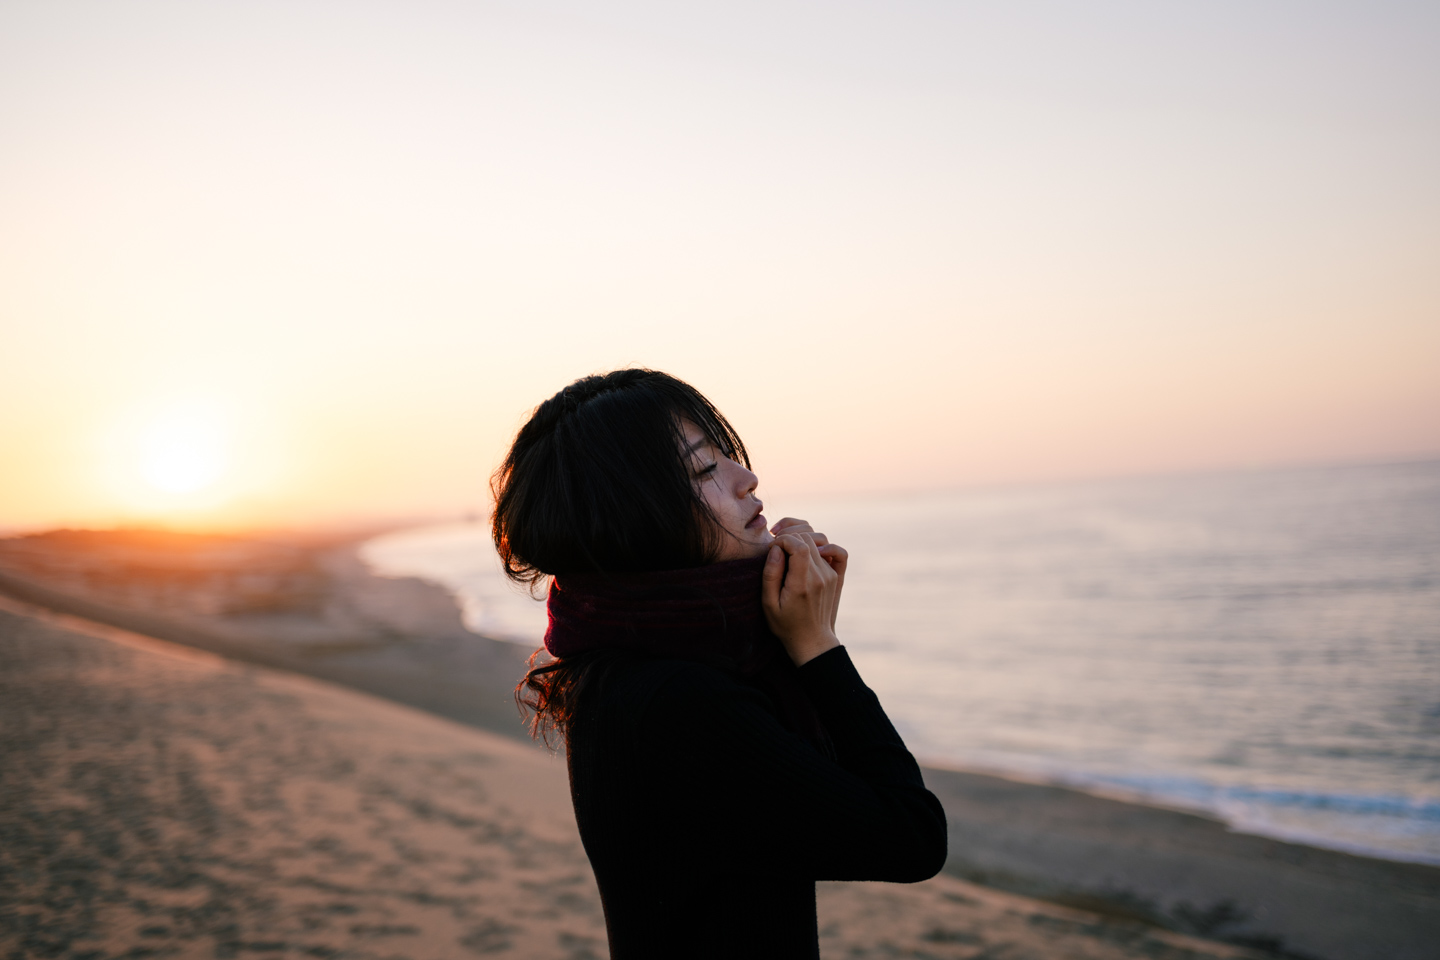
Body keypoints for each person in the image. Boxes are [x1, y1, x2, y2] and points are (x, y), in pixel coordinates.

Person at [491, 368, 947, 958]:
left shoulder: (629, 662)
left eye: (724, 456)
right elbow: (911, 836)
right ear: (639, 517)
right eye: (705, 468)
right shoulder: (676, 701)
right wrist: (816, 645)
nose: (746, 477)